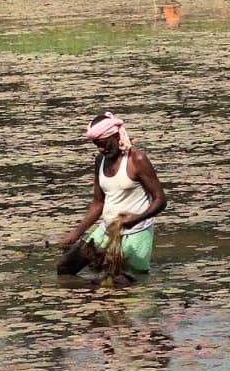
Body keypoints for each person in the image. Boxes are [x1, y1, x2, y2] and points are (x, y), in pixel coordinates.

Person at [57, 112, 168, 284]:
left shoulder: (136, 160)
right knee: (65, 267)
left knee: (120, 282)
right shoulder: (100, 161)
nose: (101, 149)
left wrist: (136, 218)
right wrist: (76, 233)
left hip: (135, 234)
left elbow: (161, 200)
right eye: (97, 145)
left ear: (116, 136)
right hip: (106, 231)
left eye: (103, 144)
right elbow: (98, 202)